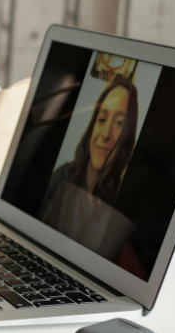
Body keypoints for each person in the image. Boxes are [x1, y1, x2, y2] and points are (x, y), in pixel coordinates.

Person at [40, 75, 139, 257]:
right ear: (93, 124)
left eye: (119, 123)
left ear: (128, 135)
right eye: (102, 119)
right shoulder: (62, 178)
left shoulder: (123, 203)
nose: (105, 134)